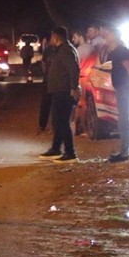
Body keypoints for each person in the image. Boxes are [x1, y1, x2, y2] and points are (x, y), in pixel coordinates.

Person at [39, 26, 81, 162]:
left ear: (56, 37)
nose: (51, 39)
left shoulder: (65, 50)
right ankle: (56, 148)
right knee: (57, 121)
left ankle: (70, 152)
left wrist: (73, 87)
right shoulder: (62, 50)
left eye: (52, 37)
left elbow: (74, 68)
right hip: (59, 90)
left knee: (62, 121)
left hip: (64, 91)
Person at [101, 24, 129, 162]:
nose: (106, 37)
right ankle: (124, 151)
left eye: (108, 34)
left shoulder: (121, 51)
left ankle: (124, 153)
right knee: (124, 119)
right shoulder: (115, 51)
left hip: (125, 88)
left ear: (114, 37)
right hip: (123, 88)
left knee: (124, 120)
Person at [38, 36, 55, 131]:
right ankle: (42, 124)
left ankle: (51, 125)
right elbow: (43, 63)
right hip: (48, 80)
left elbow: (43, 64)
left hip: (55, 81)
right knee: (46, 103)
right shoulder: (48, 50)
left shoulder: (61, 50)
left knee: (53, 104)